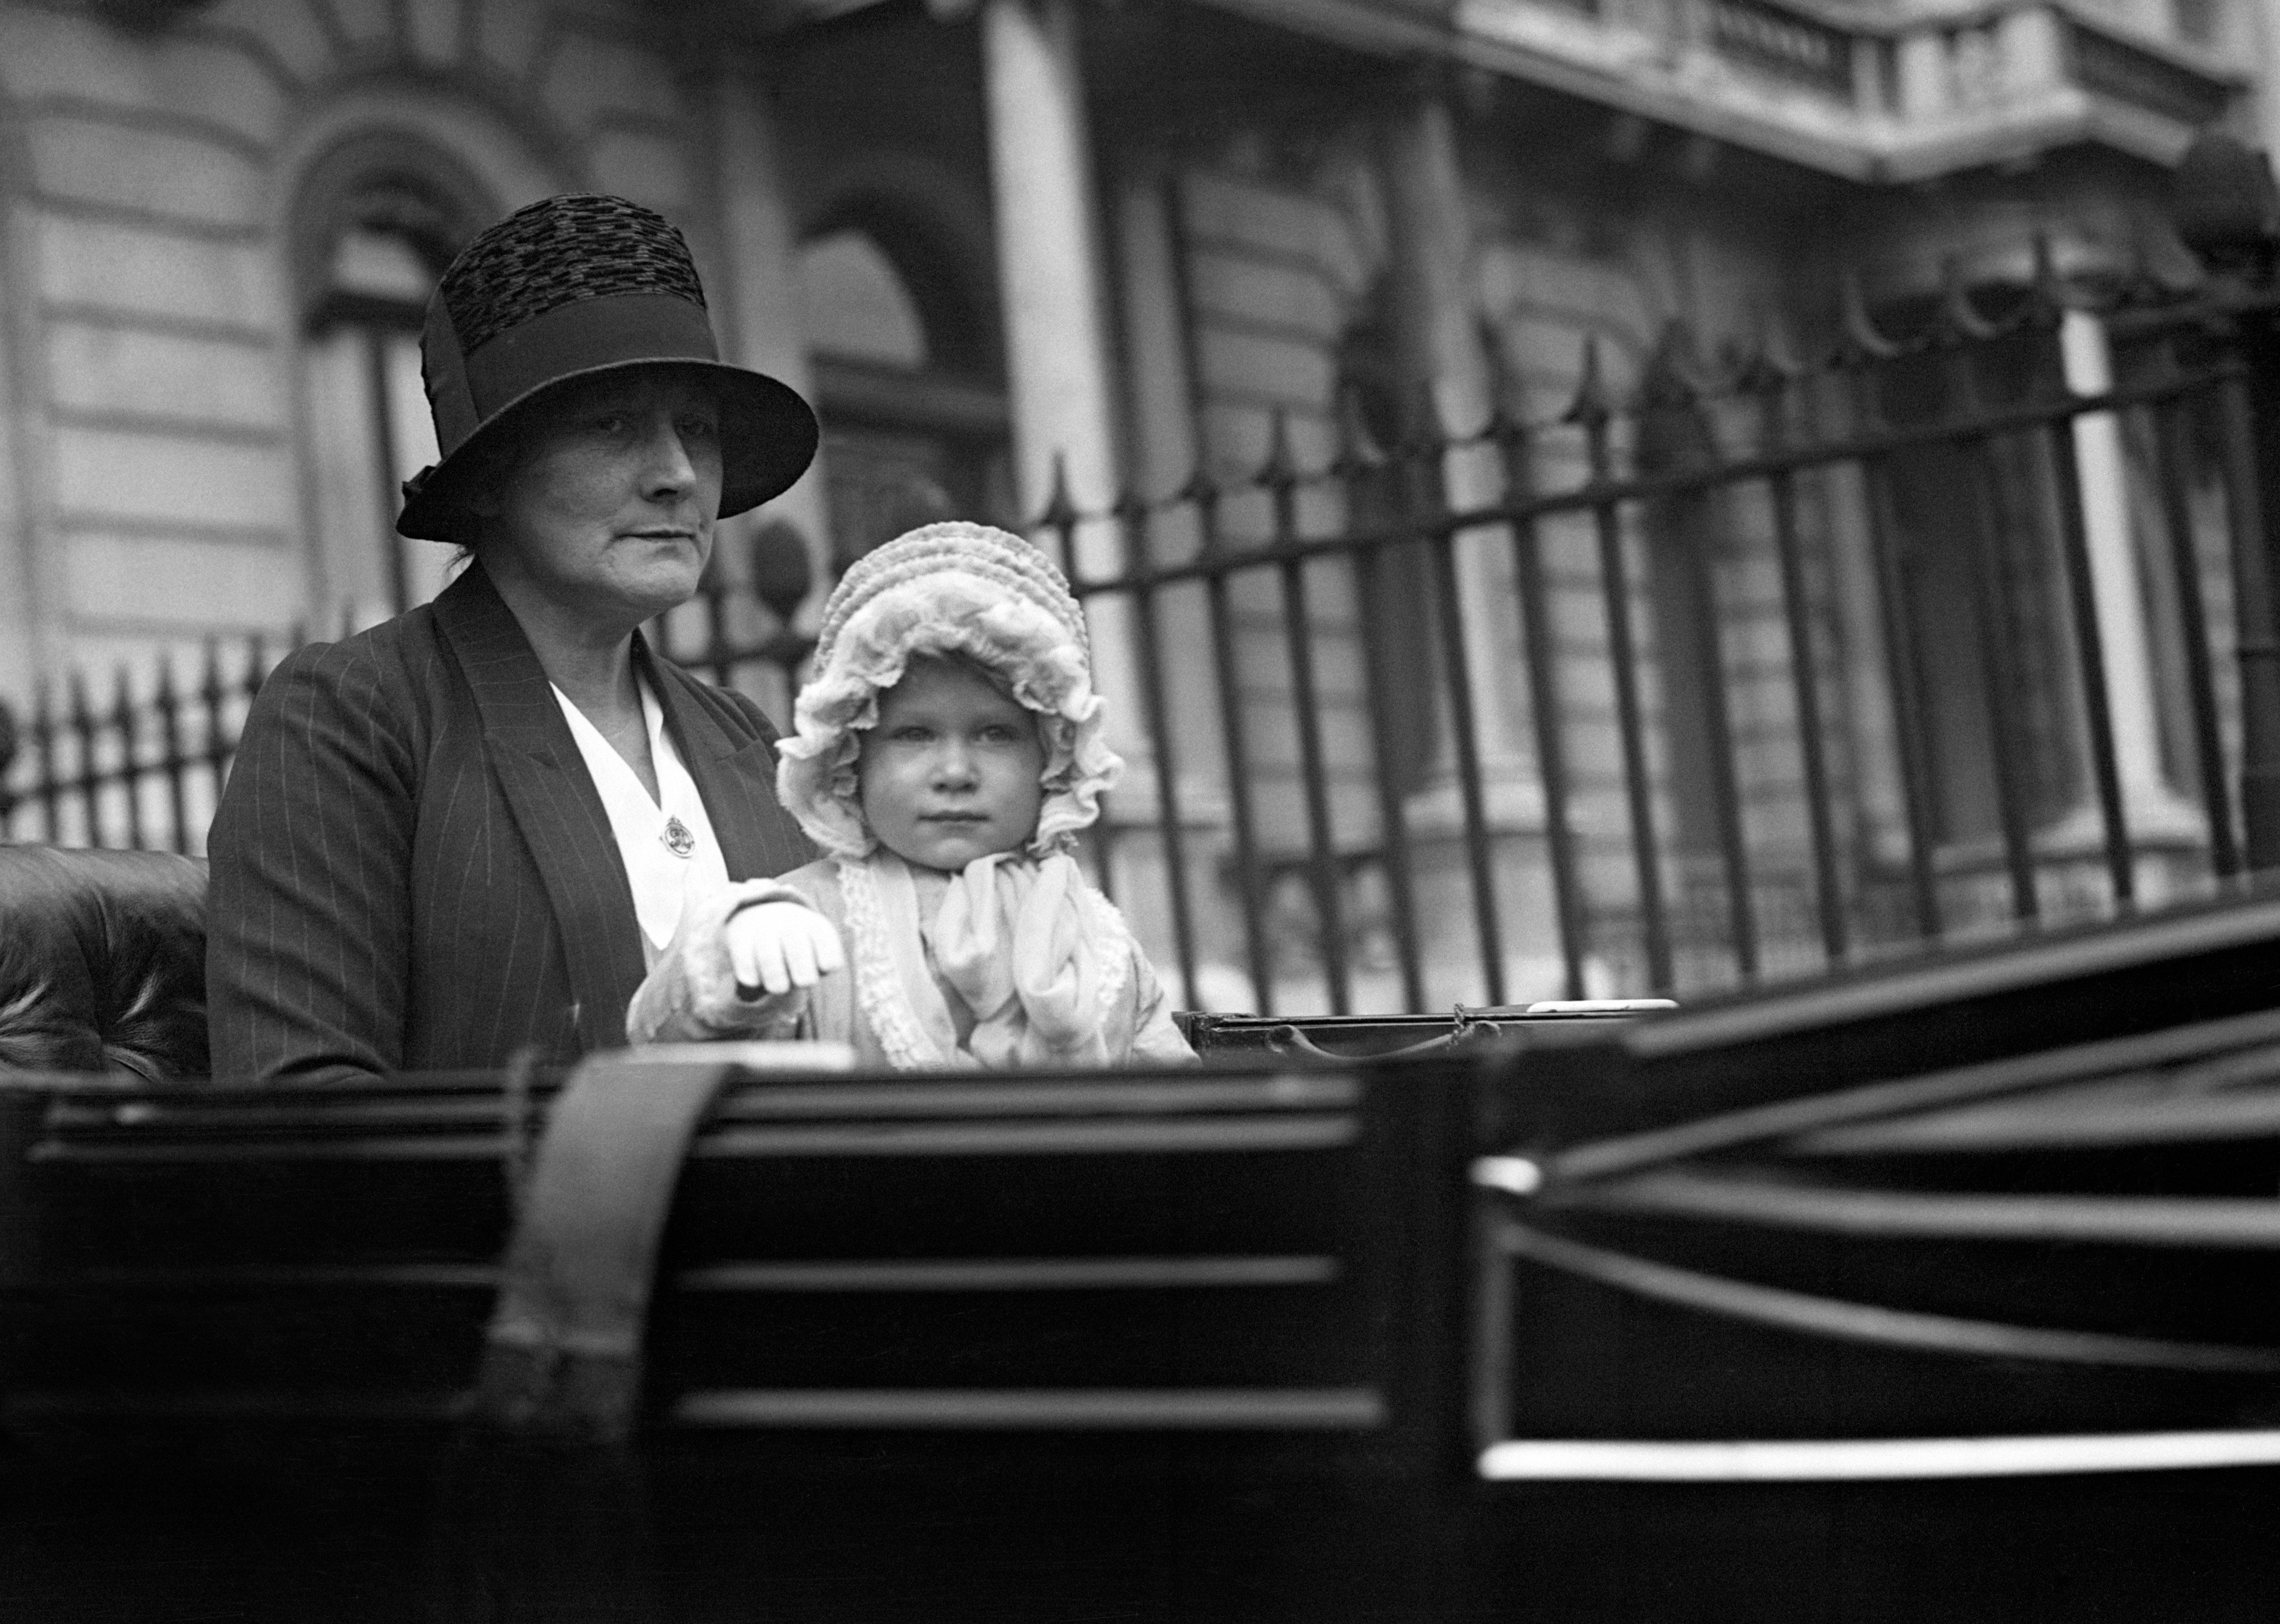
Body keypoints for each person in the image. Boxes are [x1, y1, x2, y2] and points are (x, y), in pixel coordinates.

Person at [207, 194, 841, 1084]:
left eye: (695, 427)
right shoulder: (358, 716)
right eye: (614, 424)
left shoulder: (749, 740)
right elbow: (303, 1106)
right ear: (497, 470)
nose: (674, 474)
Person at [652, 521, 1196, 1069]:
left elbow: (1178, 1111)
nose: (955, 772)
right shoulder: (806, 919)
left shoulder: (1096, 936)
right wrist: (730, 974)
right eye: (915, 734)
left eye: (994, 734)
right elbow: (672, 1064)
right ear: (848, 757)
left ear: (1052, 756)